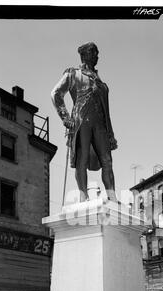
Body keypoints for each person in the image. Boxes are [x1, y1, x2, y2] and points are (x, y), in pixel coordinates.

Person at [51, 42, 118, 202]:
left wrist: (111, 133)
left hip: (100, 124)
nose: (97, 56)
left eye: (97, 53)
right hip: (81, 121)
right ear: (84, 55)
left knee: (107, 160)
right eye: (93, 52)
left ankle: (112, 196)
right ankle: (83, 195)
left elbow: (106, 111)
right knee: (82, 157)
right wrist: (65, 117)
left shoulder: (100, 82)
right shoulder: (73, 73)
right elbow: (56, 94)